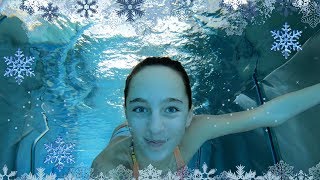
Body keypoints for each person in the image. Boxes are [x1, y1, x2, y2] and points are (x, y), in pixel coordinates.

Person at [91, 57, 320, 179]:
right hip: (124, 137)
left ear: (190, 116)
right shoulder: (108, 168)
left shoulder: (196, 130)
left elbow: (268, 115)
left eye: (171, 109)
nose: (156, 128)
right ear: (127, 114)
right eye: (140, 109)